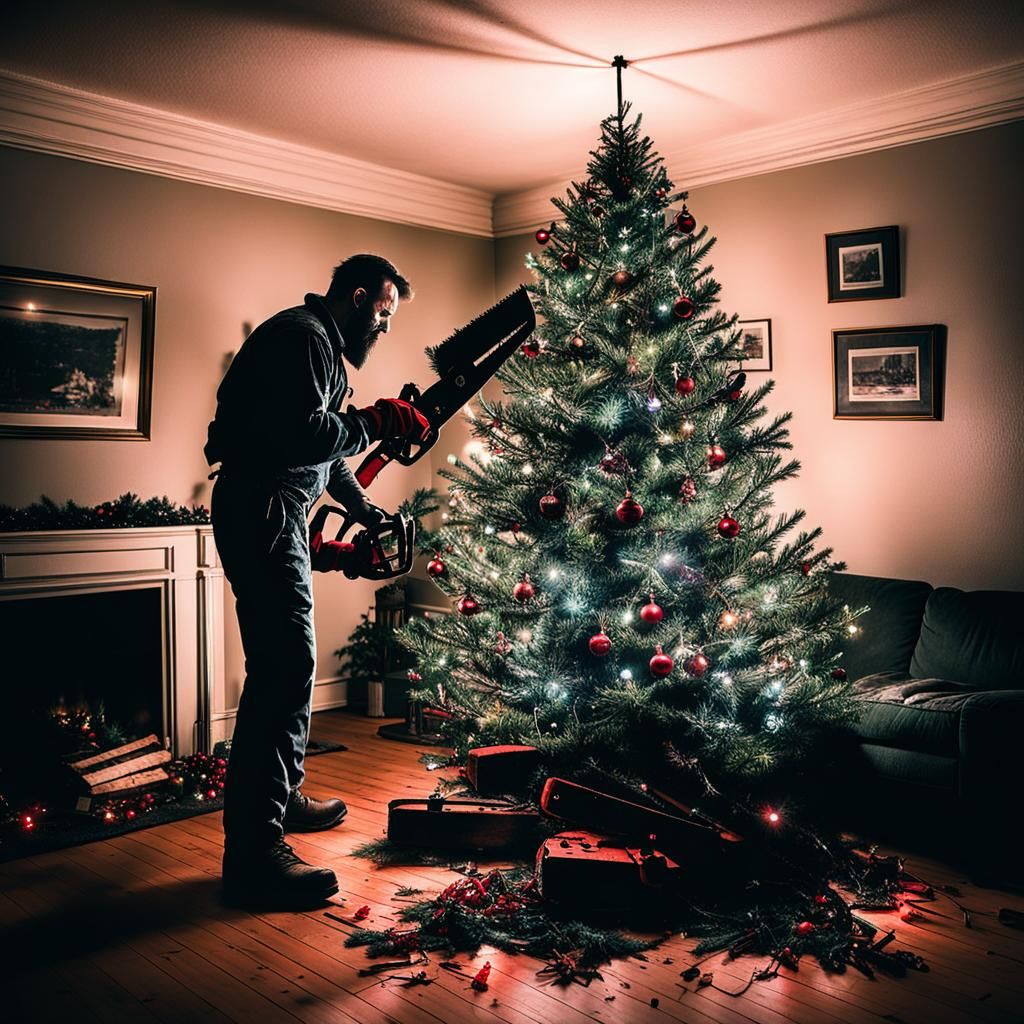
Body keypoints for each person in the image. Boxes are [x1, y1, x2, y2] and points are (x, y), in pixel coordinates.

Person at [204, 254, 429, 909]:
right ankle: (253, 854)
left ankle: (283, 797)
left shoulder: (320, 347)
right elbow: (307, 433)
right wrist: (380, 422)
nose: (383, 327)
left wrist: (363, 515)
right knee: (283, 668)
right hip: (263, 509)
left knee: (291, 669)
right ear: (358, 297)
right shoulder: (303, 336)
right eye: (382, 314)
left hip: (275, 510)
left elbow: (324, 454)